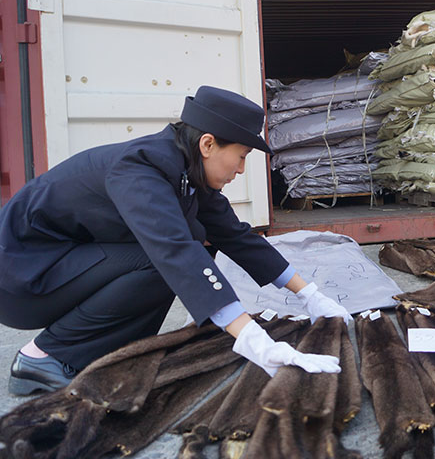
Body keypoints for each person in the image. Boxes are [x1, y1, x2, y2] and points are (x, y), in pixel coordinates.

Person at [0, 86, 352, 395]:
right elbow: (175, 252)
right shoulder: (140, 169)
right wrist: (256, 342)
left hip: (58, 263)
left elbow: (236, 236)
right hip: (20, 278)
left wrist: (309, 295)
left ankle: (108, 354)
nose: (241, 169)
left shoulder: (187, 170)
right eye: (242, 156)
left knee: (187, 246)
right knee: (165, 261)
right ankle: (42, 357)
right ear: (208, 144)